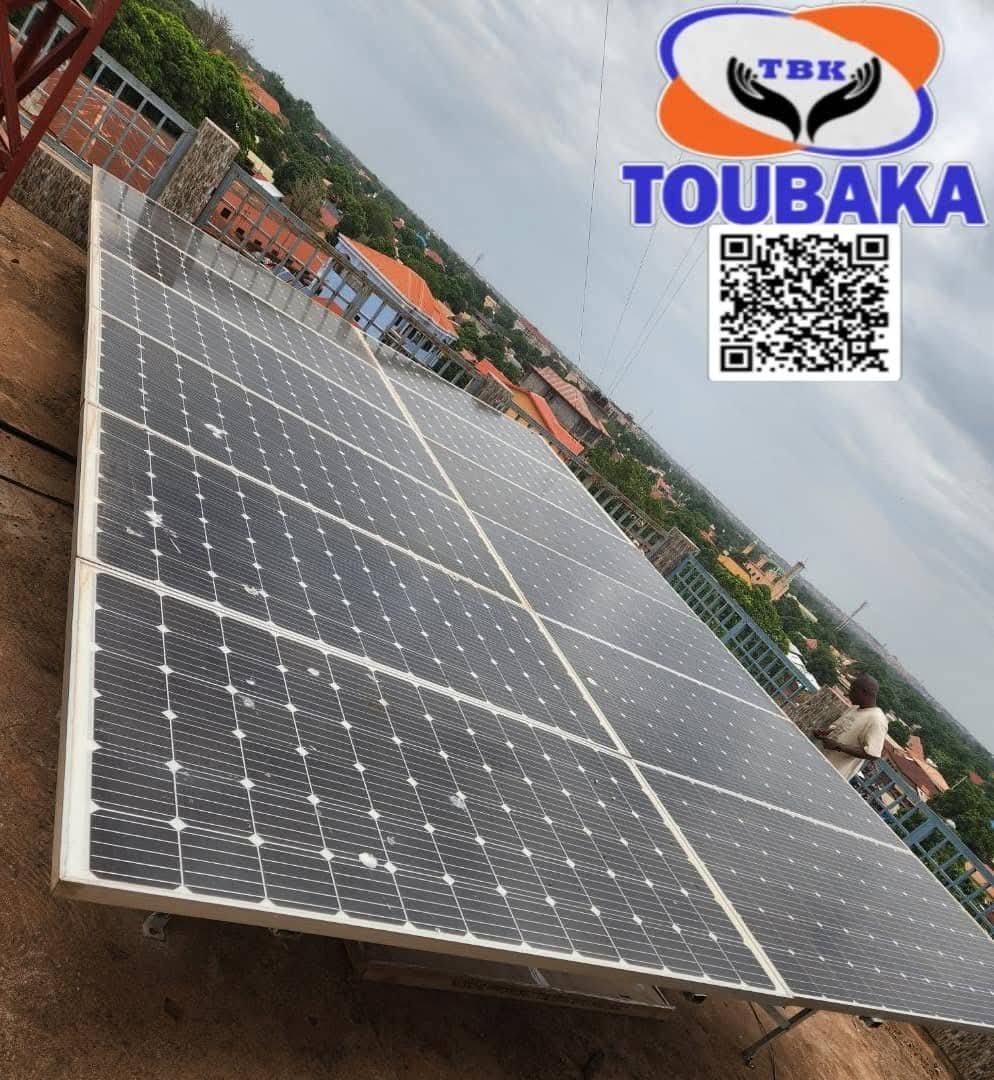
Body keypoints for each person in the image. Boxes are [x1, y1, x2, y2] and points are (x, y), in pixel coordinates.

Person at [812, 674, 888, 782]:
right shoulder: (855, 708)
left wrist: (839, 747)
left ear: (864, 692)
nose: (849, 694)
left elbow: (872, 754)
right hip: (819, 760)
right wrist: (825, 732)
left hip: (832, 774)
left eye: (853, 691)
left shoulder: (877, 720)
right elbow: (840, 728)